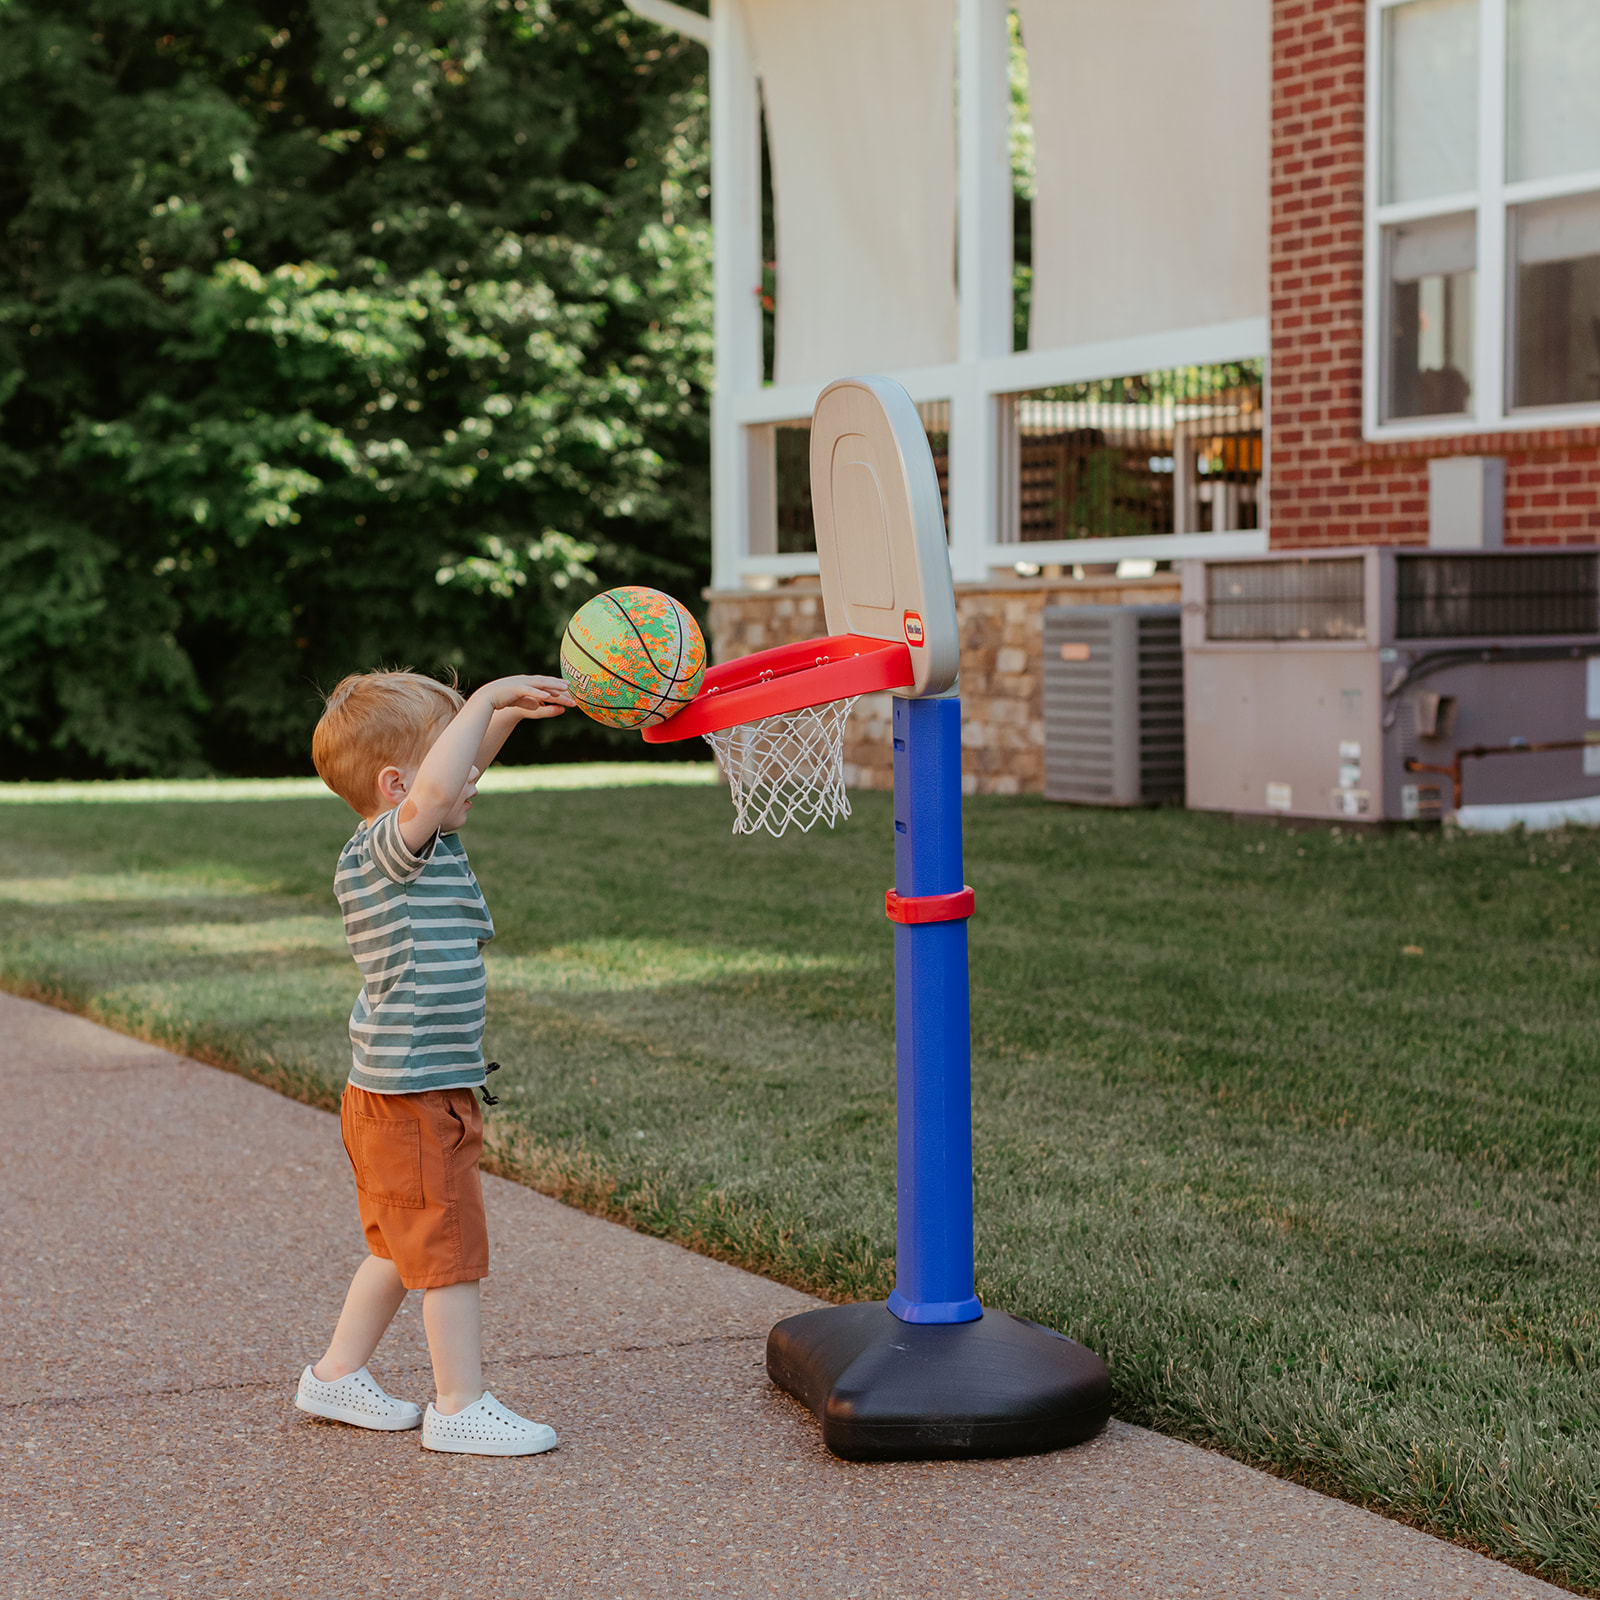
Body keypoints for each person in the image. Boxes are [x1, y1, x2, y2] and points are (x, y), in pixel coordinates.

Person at [296, 666, 573, 1455]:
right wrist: (484, 695)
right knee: (448, 1253)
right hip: (411, 1097)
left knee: (399, 1245)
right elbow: (435, 791)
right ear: (395, 785)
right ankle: (460, 1404)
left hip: (404, 1092)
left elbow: (449, 776)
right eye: (455, 754)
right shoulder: (389, 848)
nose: (472, 775)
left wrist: (508, 715)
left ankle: (336, 1374)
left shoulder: (420, 838)